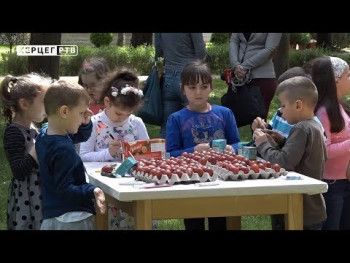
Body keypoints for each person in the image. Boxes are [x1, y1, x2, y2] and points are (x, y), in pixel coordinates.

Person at [166, 60, 240, 230]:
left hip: (222, 179)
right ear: (183, 88)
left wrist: (232, 148)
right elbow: (170, 154)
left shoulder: (225, 113)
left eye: (204, 86)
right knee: (194, 223)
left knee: (220, 222)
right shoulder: (176, 118)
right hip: (190, 180)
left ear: (211, 87)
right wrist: (193, 150)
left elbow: (237, 142)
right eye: (192, 87)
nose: (198, 92)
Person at [252, 66, 325, 230]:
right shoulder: (313, 126)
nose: (281, 112)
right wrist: (281, 141)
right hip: (310, 208)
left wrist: (263, 144)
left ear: (298, 105)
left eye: (283, 106)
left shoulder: (301, 129)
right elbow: (302, 155)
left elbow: (284, 161)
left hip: (299, 208)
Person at [35, 80, 106, 230]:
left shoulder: (45, 134)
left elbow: (77, 136)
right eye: (81, 113)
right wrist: (92, 190)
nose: (83, 117)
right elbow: (65, 188)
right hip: (72, 219)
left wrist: (85, 123)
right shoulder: (63, 150)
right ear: (64, 112)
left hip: (52, 213)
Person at [0, 73, 52, 230]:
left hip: (39, 194)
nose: (47, 106)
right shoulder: (14, 132)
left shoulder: (34, 128)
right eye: (44, 102)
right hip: (26, 200)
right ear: (24, 104)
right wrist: (38, 146)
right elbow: (19, 171)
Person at [306, 56, 350, 230]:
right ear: (336, 80)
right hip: (332, 185)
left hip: (344, 182)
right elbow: (325, 150)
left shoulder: (341, 107)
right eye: (348, 75)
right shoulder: (324, 112)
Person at [79, 69, 149, 162]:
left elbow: (148, 154)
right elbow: (84, 156)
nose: (122, 118)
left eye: (128, 114)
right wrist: (108, 153)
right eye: (118, 113)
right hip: (100, 175)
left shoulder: (136, 123)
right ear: (107, 102)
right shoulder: (94, 123)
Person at [155, 33, 207, 138]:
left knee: (167, 127)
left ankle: (162, 152)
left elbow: (158, 50)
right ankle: (194, 151)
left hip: (169, 75)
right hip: (189, 76)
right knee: (195, 122)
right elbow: (200, 52)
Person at [229, 33, 282, 121]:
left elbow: (270, 49)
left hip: (262, 78)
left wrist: (244, 67)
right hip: (239, 77)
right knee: (232, 119)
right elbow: (234, 41)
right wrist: (235, 64)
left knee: (258, 123)